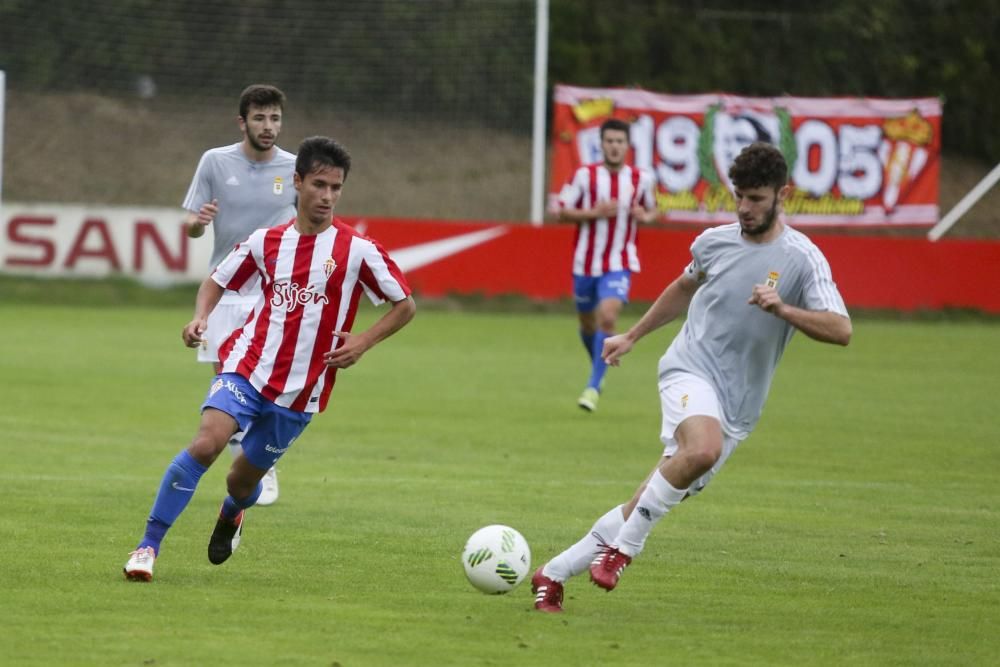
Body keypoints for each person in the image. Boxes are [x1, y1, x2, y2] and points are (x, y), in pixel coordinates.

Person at [532, 142, 852, 612]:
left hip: (739, 407)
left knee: (647, 496)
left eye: (756, 198)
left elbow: (841, 330)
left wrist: (782, 307)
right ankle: (624, 551)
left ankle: (553, 574)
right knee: (702, 449)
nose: (744, 208)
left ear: (784, 194)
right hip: (689, 368)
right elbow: (684, 286)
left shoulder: (804, 258)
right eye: (739, 196)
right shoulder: (713, 242)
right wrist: (634, 336)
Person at [123, 136, 416, 582]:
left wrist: (363, 342)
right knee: (206, 443)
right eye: (319, 185)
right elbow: (216, 280)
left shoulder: (357, 250)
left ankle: (231, 513)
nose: (328, 196)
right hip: (247, 364)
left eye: (336, 188)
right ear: (296, 182)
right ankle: (147, 546)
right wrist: (200, 317)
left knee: (241, 483)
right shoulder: (266, 242)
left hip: (302, 392)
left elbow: (405, 304)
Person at [181, 83, 297, 505]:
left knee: (269, 387)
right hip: (226, 290)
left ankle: (261, 463)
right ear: (242, 121)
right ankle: (243, 458)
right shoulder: (215, 161)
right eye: (260, 118)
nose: (268, 127)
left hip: (272, 294)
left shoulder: (295, 168)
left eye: (275, 118)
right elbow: (193, 227)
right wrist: (200, 221)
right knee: (228, 390)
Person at [556, 118, 658, 412]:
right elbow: (562, 212)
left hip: (620, 261)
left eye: (620, 142)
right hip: (585, 264)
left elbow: (653, 211)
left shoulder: (642, 179)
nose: (614, 147)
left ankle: (592, 387)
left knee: (609, 318)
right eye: (609, 141)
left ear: (627, 146)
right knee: (587, 323)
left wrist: (645, 216)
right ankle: (598, 371)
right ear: (601, 144)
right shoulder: (584, 177)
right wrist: (594, 212)